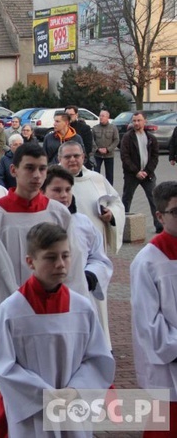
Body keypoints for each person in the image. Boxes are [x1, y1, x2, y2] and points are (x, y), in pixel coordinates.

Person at [0, 222, 115, 437]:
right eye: (50, 257)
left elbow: (98, 358)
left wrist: (76, 390)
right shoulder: (12, 309)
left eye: (65, 256)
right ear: (30, 261)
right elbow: (2, 365)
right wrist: (45, 395)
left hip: (73, 406)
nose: (60, 264)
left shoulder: (81, 307)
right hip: (34, 413)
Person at [0, 142, 87, 347]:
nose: (37, 175)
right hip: (14, 312)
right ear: (13, 170)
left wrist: (70, 306)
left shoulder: (58, 212)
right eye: (30, 168)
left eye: (42, 169)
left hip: (55, 309)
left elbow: (73, 264)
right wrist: (20, 308)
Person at [42, 166, 115, 348]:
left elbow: (99, 257)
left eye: (68, 190)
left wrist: (92, 275)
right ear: (43, 192)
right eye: (57, 190)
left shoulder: (83, 223)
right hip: (45, 301)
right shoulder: (35, 223)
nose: (64, 195)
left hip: (80, 295)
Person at [130, 181, 177, 436]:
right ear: (159, 216)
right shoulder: (147, 261)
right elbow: (148, 321)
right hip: (169, 364)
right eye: (176, 212)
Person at [120, 111, 162, 233]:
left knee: (154, 199)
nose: (136, 123)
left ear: (145, 121)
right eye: (134, 121)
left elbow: (155, 157)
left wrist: (147, 171)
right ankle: (122, 225)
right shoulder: (127, 137)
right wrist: (136, 171)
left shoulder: (151, 138)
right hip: (132, 175)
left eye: (139, 120)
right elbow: (124, 157)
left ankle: (159, 225)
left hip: (148, 175)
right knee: (127, 199)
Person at [92, 109, 119, 185]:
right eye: (100, 116)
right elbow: (92, 140)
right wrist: (97, 149)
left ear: (108, 117)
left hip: (109, 155)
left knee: (109, 175)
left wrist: (108, 149)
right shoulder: (95, 128)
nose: (101, 117)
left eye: (103, 116)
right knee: (95, 174)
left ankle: (110, 190)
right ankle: (96, 188)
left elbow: (116, 140)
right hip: (97, 155)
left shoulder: (113, 128)